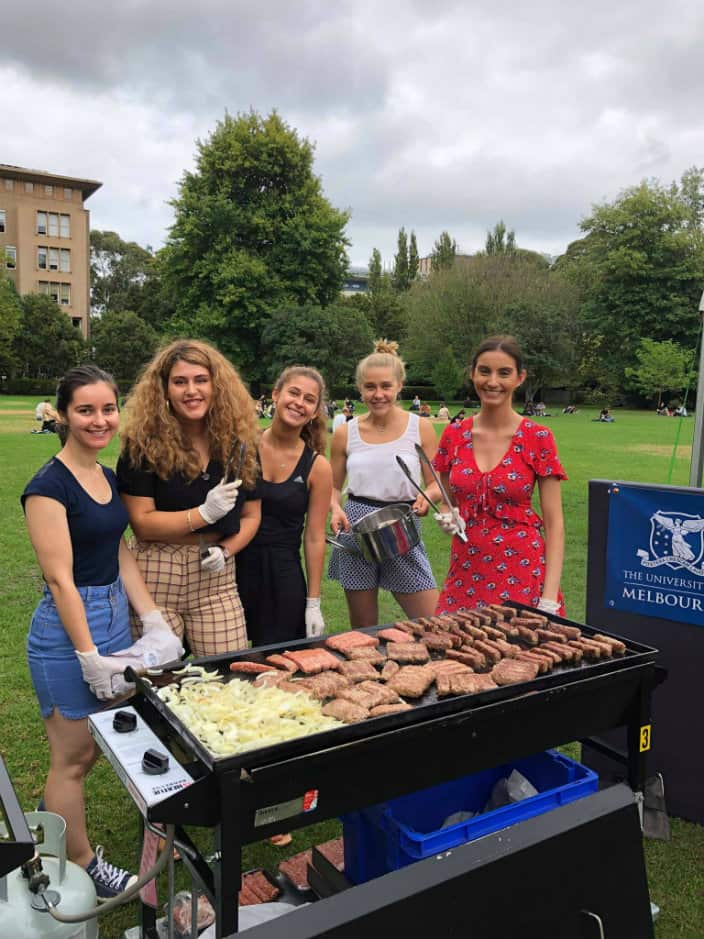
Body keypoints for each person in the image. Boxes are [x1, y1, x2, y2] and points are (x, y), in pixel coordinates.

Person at [22, 365, 180, 898]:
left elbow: (118, 553)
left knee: (94, 747)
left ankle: (49, 828)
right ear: (63, 414)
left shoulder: (105, 475)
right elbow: (61, 580)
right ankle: (86, 863)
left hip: (113, 614)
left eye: (107, 409)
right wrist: (89, 654)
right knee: (72, 757)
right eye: (85, 410)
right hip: (68, 631)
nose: (99, 420)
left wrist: (152, 616)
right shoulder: (46, 487)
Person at [117, 340, 261, 656]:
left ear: (216, 385)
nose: (190, 391)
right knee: (158, 679)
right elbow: (142, 523)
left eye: (200, 380)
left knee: (228, 675)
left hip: (215, 578)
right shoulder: (142, 445)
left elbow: (252, 515)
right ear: (164, 390)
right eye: (179, 382)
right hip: (156, 572)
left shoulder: (239, 443)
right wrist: (204, 514)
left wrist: (226, 550)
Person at [432, 335, 567, 616]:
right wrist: (448, 515)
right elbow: (447, 500)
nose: (492, 382)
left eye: (504, 373)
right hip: (465, 571)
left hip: (522, 572)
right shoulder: (454, 435)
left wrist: (549, 598)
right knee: (452, 651)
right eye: (484, 371)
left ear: (520, 378)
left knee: (519, 656)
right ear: (472, 374)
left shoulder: (538, 437)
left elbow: (555, 525)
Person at [329, 340, 439, 628]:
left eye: (386, 386)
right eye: (370, 387)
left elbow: (437, 483)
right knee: (364, 631)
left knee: (433, 623)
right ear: (360, 388)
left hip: (401, 523)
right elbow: (332, 486)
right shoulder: (345, 433)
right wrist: (334, 508)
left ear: (400, 385)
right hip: (355, 527)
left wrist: (428, 497)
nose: (378, 394)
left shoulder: (420, 427)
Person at [237, 366, 333, 645]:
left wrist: (313, 602)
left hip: (284, 574)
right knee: (235, 663)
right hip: (236, 567)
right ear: (276, 395)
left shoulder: (317, 467)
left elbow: (315, 536)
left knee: (280, 665)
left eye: (309, 399)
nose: (299, 403)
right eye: (293, 393)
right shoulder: (242, 448)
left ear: (315, 411)